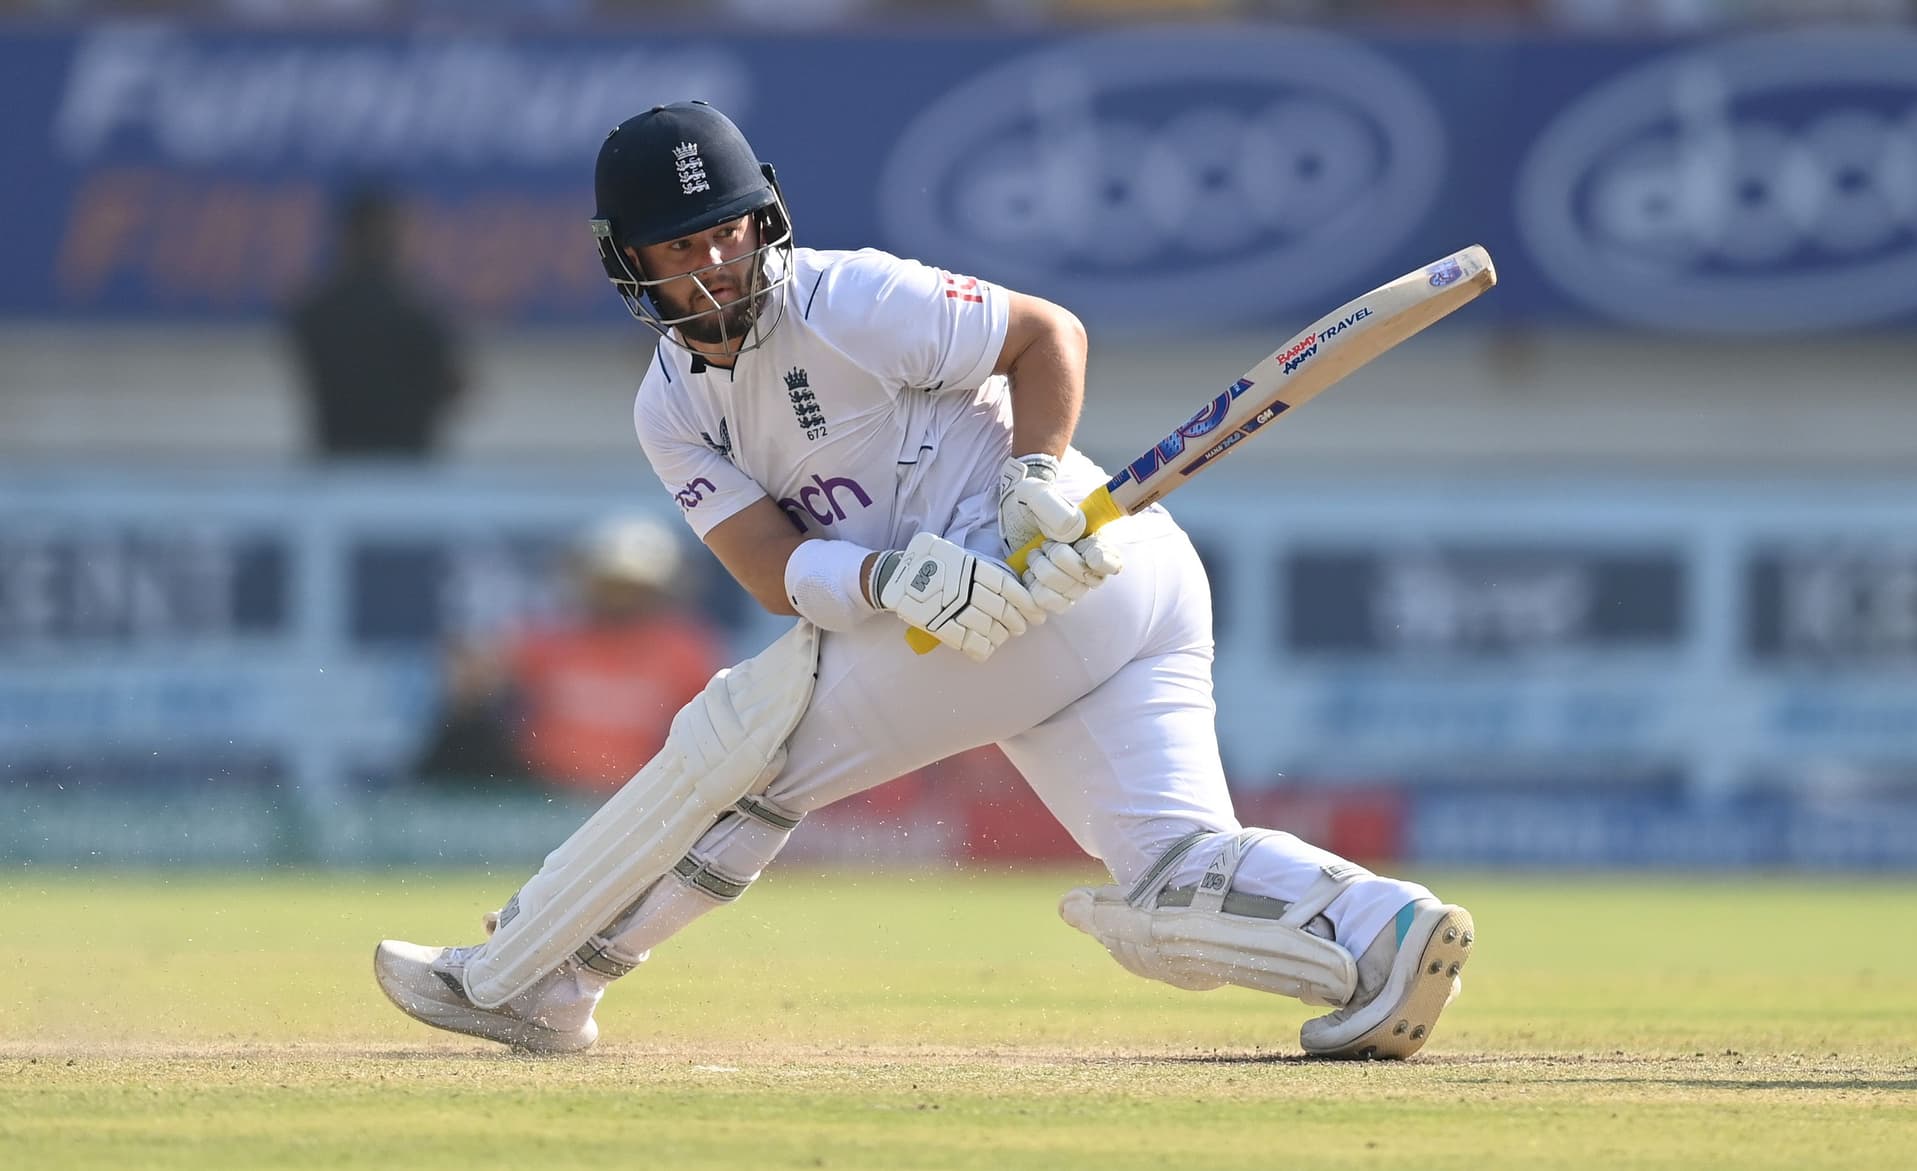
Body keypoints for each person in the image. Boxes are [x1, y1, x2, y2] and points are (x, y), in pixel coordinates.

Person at [375, 101, 1475, 1059]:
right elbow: (766, 566)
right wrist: (885, 579)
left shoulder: (848, 298)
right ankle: (1381, 931)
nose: (714, 264)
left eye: (727, 233)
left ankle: (535, 981)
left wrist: (1037, 472)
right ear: (631, 264)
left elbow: (1047, 336)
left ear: (766, 219)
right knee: (1172, 874)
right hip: (1039, 609)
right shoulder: (670, 408)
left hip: (1059, 572)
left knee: (745, 750)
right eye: (681, 248)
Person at [412, 515, 727, 795]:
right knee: (465, 731)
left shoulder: (684, 649)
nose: (618, 597)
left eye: (629, 586)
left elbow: (714, 733)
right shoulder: (554, 638)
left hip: (644, 799)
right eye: (608, 584)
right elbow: (476, 674)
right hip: (541, 791)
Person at [287, 187, 466, 458]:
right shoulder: (415, 313)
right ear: (390, 238)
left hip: (336, 464)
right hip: (408, 467)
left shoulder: (312, 311)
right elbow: (454, 387)